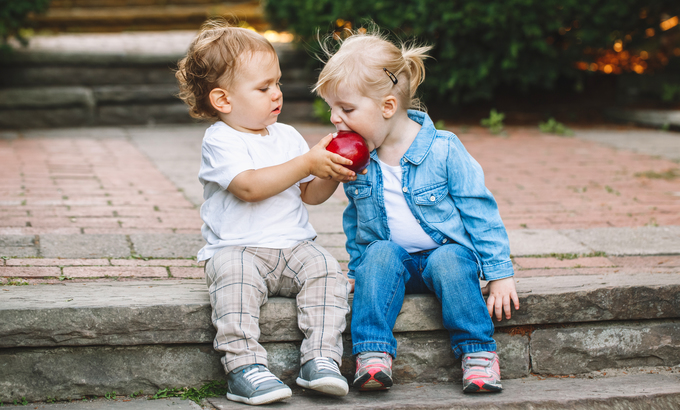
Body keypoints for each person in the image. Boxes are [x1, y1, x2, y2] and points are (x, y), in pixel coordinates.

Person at [313, 27, 520, 394]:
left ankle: (478, 353)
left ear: (387, 107)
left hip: (445, 257)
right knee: (377, 254)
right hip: (396, 263)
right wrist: (359, 269)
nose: (334, 118)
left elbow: (480, 211)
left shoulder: (443, 149)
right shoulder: (361, 159)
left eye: (346, 109)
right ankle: (373, 355)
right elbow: (357, 220)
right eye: (332, 109)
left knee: (451, 260)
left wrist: (499, 273)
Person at [175, 20, 358, 405]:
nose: (276, 94)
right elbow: (249, 186)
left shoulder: (287, 135)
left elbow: (310, 195)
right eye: (263, 88)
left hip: (294, 247)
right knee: (233, 282)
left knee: (328, 273)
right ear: (223, 100)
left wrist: (332, 171)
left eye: (277, 83)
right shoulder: (221, 140)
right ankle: (244, 367)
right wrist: (307, 162)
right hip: (238, 249)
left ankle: (320, 359)